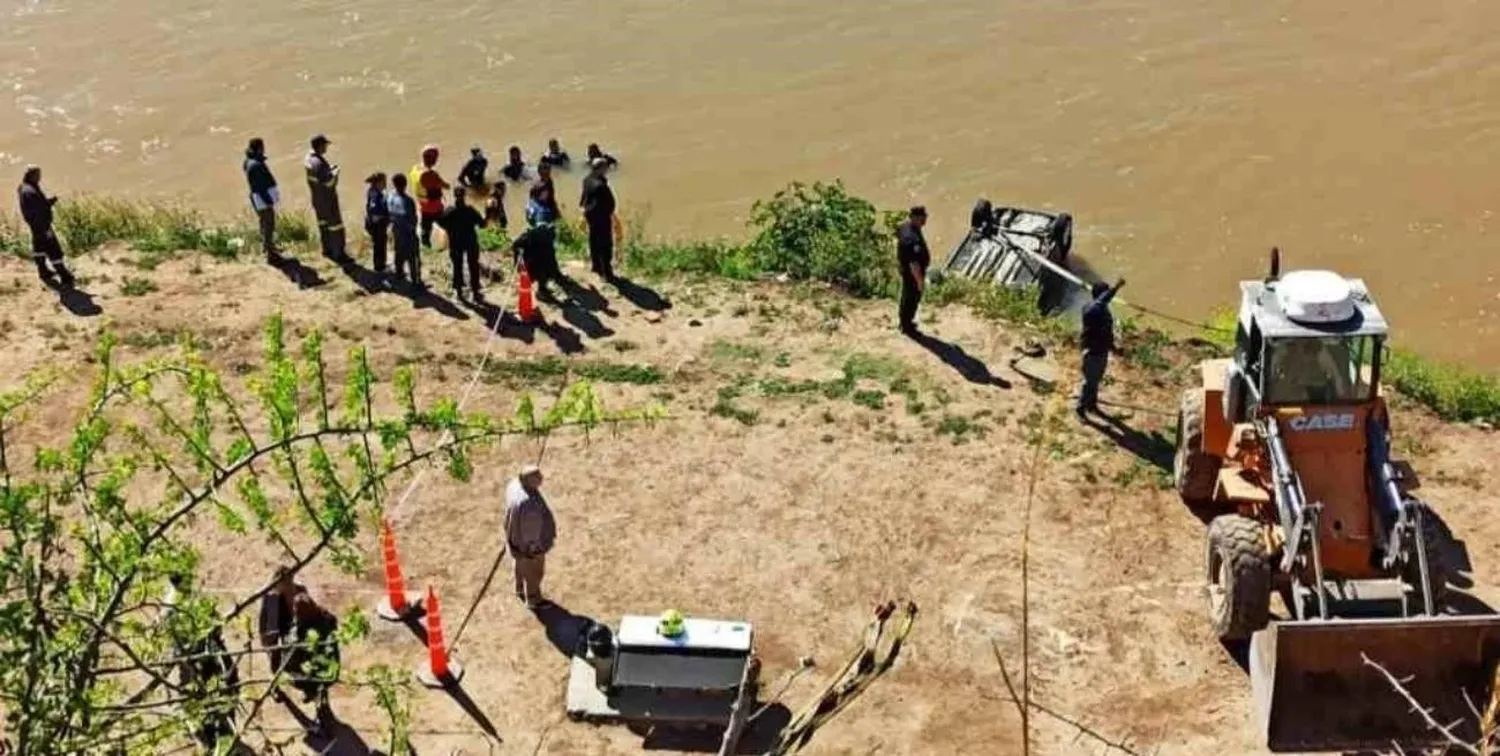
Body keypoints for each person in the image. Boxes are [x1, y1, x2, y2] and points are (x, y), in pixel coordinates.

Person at [166, 575, 241, 752]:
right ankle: (213, 741)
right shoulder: (172, 609)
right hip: (194, 662)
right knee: (205, 701)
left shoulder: (197, 596)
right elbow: (177, 644)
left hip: (213, 652)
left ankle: (227, 733)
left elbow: (215, 621)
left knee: (230, 687)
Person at [285, 592, 340, 735]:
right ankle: (314, 699)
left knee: (320, 699)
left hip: (314, 673)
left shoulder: (304, 631)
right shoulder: (327, 618)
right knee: (321, 692)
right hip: (330, 666)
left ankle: (325, 727)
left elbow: (294, 649)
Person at [504, 464, 556, 608]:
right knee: (534, 572)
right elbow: (530, 531)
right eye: (537, 477)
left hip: (515, 539)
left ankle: (519, 588)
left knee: (520, 564)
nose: (541, 478)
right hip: (529, 546)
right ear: (529, 481)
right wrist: (534, 550)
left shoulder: (514, 485)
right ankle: (534, 599)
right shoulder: (530, 505)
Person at [16, 166, 74, 287]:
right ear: (32, 176)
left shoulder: (24, 187)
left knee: (39, 247)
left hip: (34, 225)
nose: (40, 177)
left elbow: (36, 207)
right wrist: (45, 228)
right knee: (54, 249)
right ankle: (64, 276)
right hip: (42, 225)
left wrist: (49, 202)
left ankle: (43, 271)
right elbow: (38, 211)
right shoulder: (30, 191)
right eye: (38, 175)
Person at [1078, 278, 1126, 418]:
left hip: (1101, 351)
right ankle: (1080, 408)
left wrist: (1114, 349)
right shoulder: (1092, 309)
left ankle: (1091, 404)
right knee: (1090, 382)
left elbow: (1106, 334)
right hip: (1092, 353)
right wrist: (1116, 286)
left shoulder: (1101, 310)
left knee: (1095, 380)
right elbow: (1103, 299)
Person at [438, 186, 487, 300]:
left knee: (457, 266)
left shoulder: (449, 211)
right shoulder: (470, 210)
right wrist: (487, 214)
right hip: (470, 241)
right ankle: (475, 292)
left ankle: (459, 292)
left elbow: (440, 222)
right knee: (473, 266)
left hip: (455, 242)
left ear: (455, 196)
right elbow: (482, 224)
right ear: (464, 196)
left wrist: (449, 229)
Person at [303, 134, 346, 260]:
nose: (326, 148)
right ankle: (339, 254)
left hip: (317, 199)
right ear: (320, 146)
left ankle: (327, 250)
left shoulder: (309, 159)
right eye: (325, 145)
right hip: (328, 200)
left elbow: (318, 178)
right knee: (335, 227)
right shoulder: (319, 163)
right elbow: (329, 183)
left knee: (323, 225)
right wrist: (335, 173)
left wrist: (329, 170)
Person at [243, 138, 281, 263]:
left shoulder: (248, 161)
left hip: (256, 197)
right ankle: (271, 255)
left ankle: (267, 248)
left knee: (264, 222)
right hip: (262, 198)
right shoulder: (256, 165)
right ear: (259, 148)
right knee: (268, 224)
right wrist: (269, 201)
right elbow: (260, 187)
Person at [579, 157, 617, 280]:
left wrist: (585, 212)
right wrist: (609, 214)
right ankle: (606, 272)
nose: (606, 170)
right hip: (601, 217)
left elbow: (583, 199)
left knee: (593, 241)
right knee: (605, 245)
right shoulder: (601, 185)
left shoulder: (586, 180)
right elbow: (609, 203)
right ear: (600, 169)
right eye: (605, 168)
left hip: (590, 215)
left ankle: (596, 265)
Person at [895, 205, 930, 334]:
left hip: (906, 270)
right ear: (914, 218)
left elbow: (899, 241)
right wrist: (920, 281)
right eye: (922, 217)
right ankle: (907, 326)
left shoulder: (904, 226)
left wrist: (900, 259)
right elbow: (913, 264)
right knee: (911, 299)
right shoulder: (911, 238)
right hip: (912, 274)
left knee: (906, 296)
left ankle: (904, 322)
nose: (925, 219)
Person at [411, 145, 449, 249]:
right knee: (448, 225)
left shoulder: (416, 169)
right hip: (434, 206)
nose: (436, 160)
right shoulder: (429, 174)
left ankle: (426, 247)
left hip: (423, 205)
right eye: (435, 157)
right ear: (431, 158)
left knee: (425, 229)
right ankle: (448, 245)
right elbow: (445, 185)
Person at [387, 173, 422, 286]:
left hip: (396, 230)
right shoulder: (408, 201)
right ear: (405, 184)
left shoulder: (390, 197)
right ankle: (415, 280)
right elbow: (413, 219)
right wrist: (413, 229)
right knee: (413, 257)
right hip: (408, 233)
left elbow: (389, 214)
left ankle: (399, 273)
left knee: (399, 253)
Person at [511, 221, 560, 300]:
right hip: (530, 264)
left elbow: (551, 258)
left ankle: (542, 289)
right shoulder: (528, 238)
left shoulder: (546, 240)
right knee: (539, 273)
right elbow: (515, 246)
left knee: (546, 271)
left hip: (537, 262)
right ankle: (539, 292)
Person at [364, 172, 390, 273]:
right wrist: (386, 217)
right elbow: (374, 211)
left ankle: (380, 265)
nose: (385, 184)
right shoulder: (375, 194)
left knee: (379, 245)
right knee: (379, 245)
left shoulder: (373, 191)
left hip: (375, 224)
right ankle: (380, 267)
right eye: (384, 181)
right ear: (378, 182)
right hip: (377, 225)